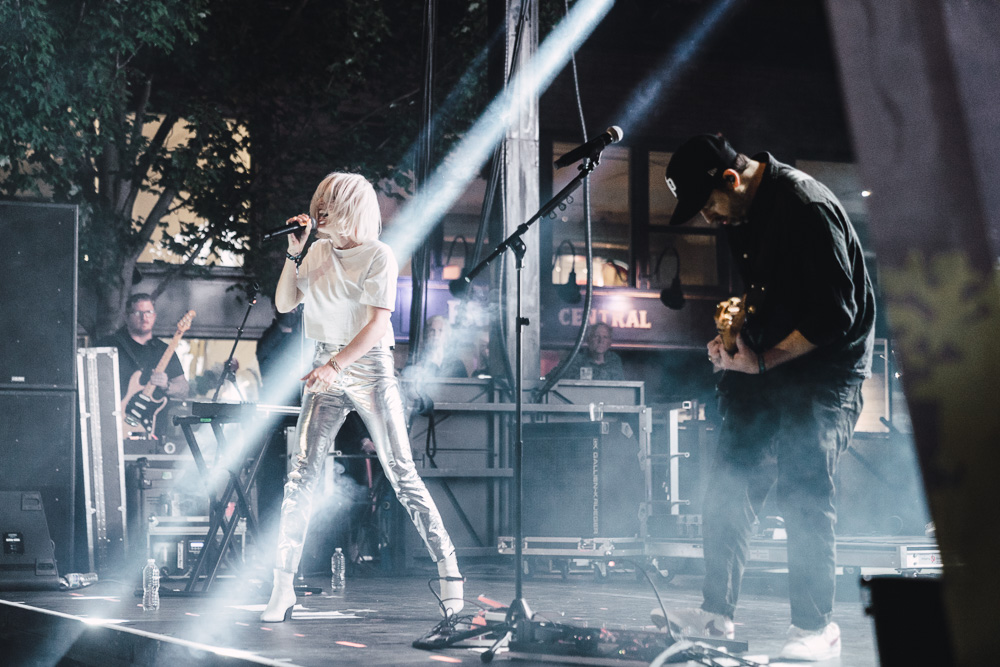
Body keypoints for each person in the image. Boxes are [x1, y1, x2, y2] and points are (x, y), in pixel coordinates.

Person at [655, 134, 875, 662]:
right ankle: (715, 615)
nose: (710, 219)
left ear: (731, 179)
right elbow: (767, 294)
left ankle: (816, 630)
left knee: (803, 490)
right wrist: (734, 343)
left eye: (708, 205)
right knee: (728, 482)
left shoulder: (806, 206)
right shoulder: (741, 214)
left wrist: (759, 360)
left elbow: (832, 316)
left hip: (827, 372)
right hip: (771, 363)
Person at [260, 172, 463, 622]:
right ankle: (282, 586)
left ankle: (450, 570)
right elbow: (283, 304)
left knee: (401, 472)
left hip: (369, 366)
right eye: (319, 202)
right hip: (325, 361)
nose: (319, 211)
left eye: (329, 204)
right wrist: (294, 254)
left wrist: (336, 367)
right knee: (301, 477)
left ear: (350, 208)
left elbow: (376, 325)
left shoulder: (379, 255)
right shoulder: (314, 251)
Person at [98, 293, 189, 435]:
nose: (144, 317)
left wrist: (167, 385)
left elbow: (184, 390)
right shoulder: (108, 345)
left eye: (149, 312)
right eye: (137, 312)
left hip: (154, 431)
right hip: (114, 426)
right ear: (126, 317)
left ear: (155, 315)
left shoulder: (164, 350)